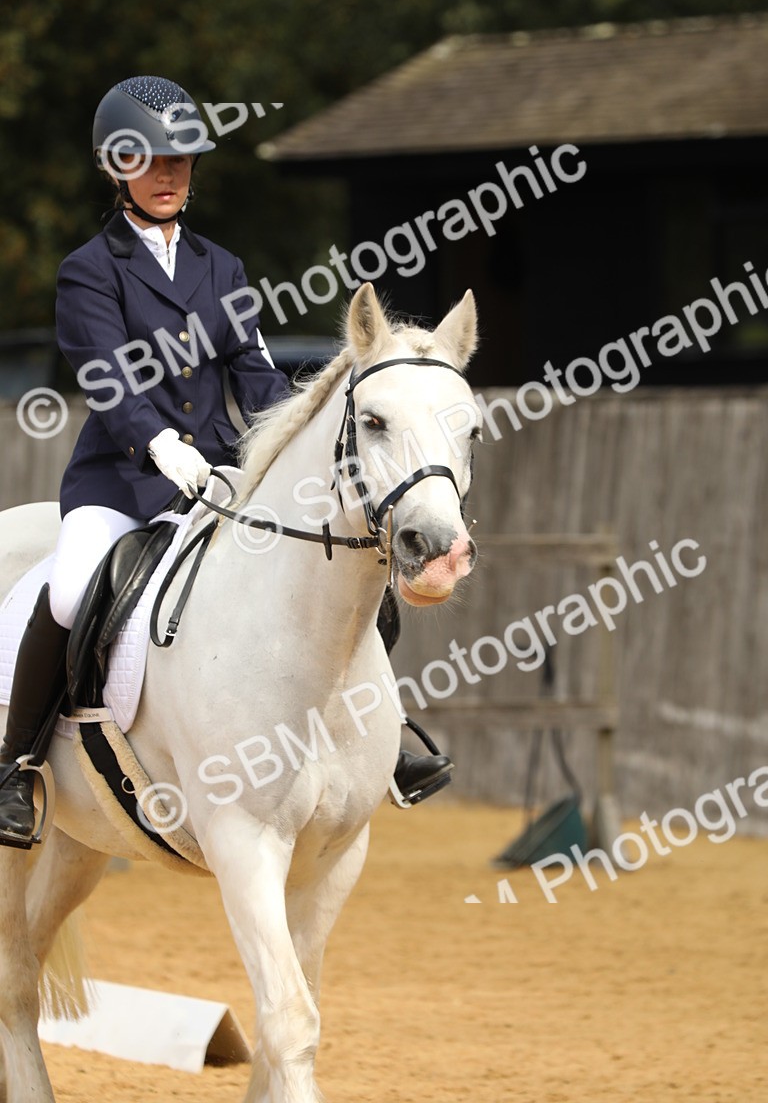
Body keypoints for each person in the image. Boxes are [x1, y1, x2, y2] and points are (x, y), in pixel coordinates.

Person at [0, 76, 450, 849]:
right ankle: (19, 766)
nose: (170, 174)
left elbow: (257, 375)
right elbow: (105, 378)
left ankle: (386, 733)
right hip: (122, 478)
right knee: (72, 590)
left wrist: (294, 434)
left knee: (347, 564)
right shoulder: (89, 270)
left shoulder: (222, 269)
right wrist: (159, 443)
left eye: (182, 159)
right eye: (150, 160)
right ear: (116, 168)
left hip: (217, 475)